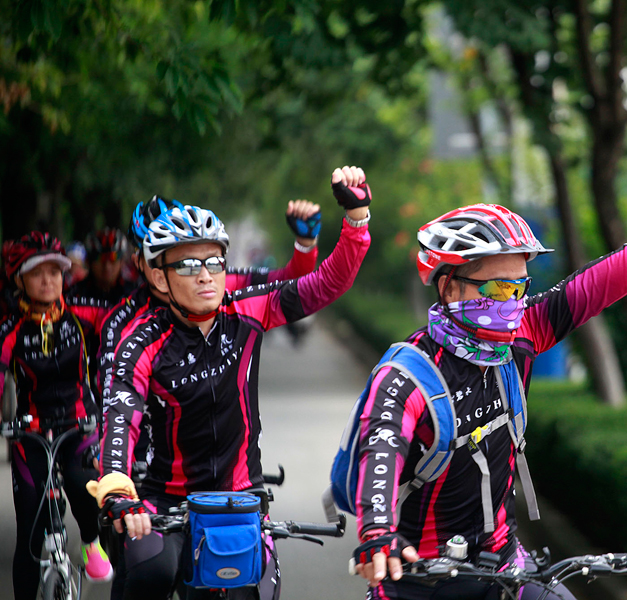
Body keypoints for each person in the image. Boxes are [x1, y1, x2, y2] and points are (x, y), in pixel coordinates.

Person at [349, 189, 627, 600]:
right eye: (498, 290)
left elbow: (596, 285)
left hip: (506, 571)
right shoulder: (408, 374)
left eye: (520, 288)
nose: (513, 304)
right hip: (416, 580)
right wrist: (377, 530)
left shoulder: (521, 337)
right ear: (449, 288)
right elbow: (379, 445)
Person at [89, 166, 372, 600]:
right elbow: (120, 416)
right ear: (158, 276)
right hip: (165, 502)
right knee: (148, 572)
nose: (205, 274)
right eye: (187, 264)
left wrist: (355, 220)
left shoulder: (247, 310)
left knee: (253, 590)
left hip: (241, 499)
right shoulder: (140, 340)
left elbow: (326, 284)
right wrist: (117, 487)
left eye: (214, 261)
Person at [0, 232, 114, 600]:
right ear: (19, 279)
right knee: (30, 530)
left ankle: (91, 540)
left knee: (85, 487)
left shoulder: (83, 312)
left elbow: (126, 329)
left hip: (79, 423)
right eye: (37, 273)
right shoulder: (10, 328)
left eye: (56, 271)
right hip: (29, 430)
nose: (49, 280)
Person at [71, 227, 136, 304]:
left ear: (122, 261)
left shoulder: (133, 293)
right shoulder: (76, 294)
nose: (107, 266)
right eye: (100, 259)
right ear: (88, 262)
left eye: (113, 259)